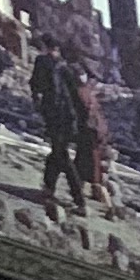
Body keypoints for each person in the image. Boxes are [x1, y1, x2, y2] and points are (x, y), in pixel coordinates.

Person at [33, 43, 107, 219]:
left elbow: (50, 96)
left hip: (63, 121)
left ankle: (79, 201)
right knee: (57, 154)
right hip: (77, 123)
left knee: (63, 158)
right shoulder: (71, 72)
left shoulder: (52, 69)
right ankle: (49, 188)